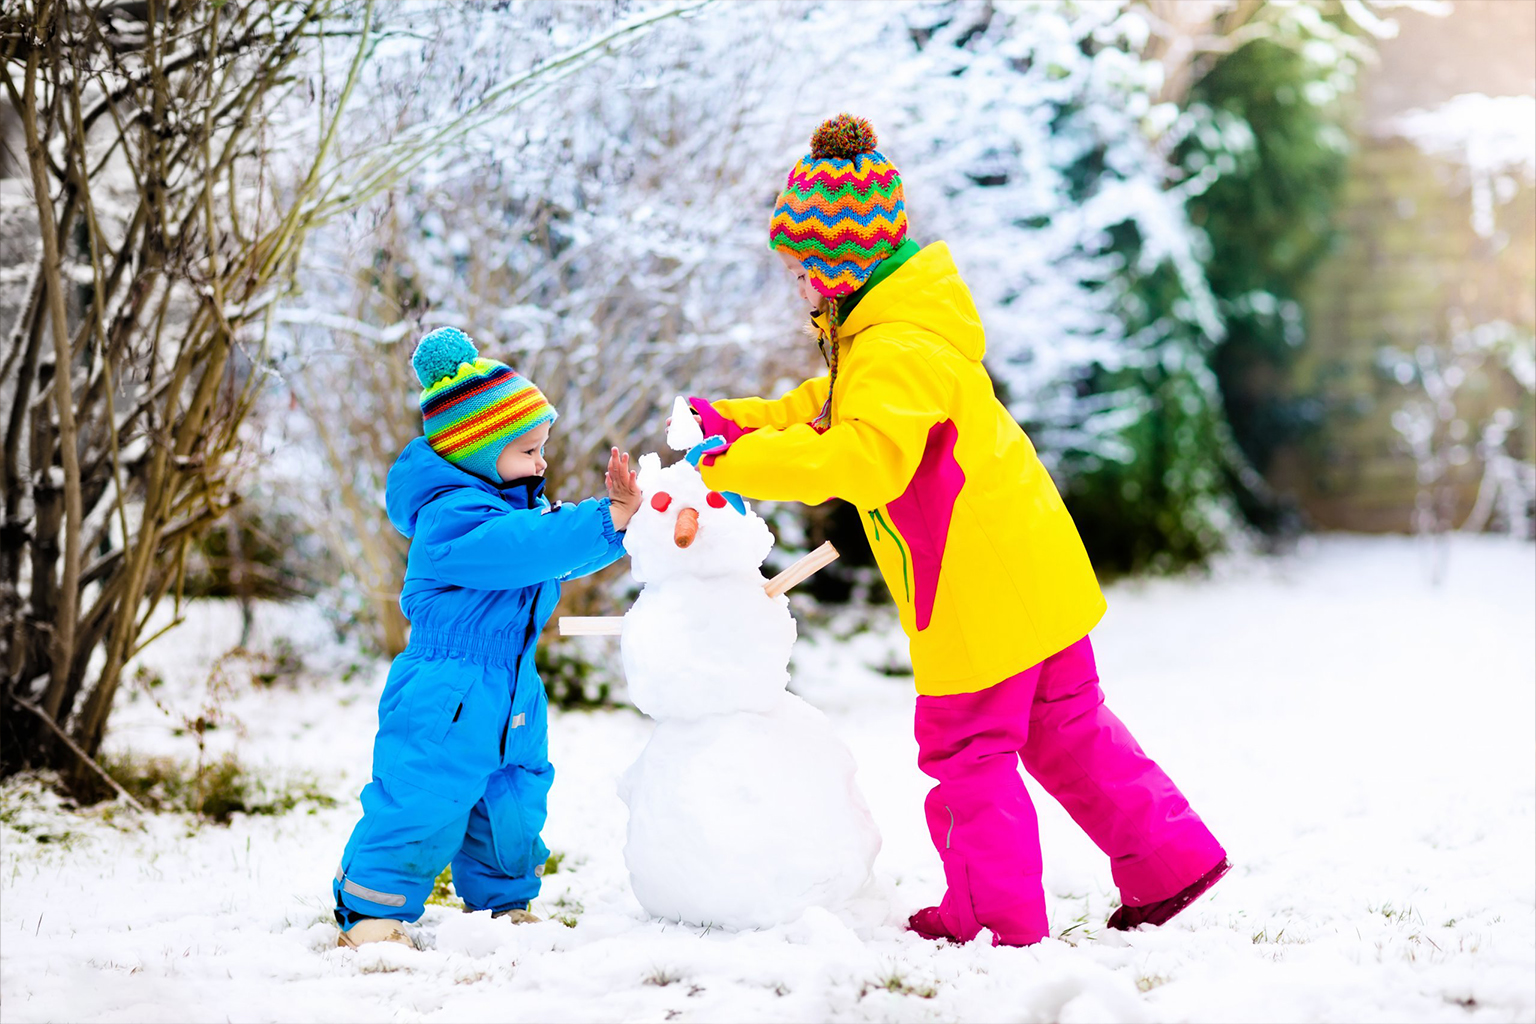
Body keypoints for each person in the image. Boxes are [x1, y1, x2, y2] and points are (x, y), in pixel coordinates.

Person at [686, 115, 1228, 947]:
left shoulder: (893, 347)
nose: (795, 286)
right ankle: (1170, 861)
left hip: (976, 583)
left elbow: (861, 458)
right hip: (1030, 561)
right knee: (1068, 730)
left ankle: (992, 914)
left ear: (842, 262)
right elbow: (821, 411)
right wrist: (730, 425)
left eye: (801, 269)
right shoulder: (896, 330)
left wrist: (726, 468)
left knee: (968, 749)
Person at [332, 326, 641, 948]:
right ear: (477, 450)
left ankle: (503, 903)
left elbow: (547, 550)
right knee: (423, 795)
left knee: (513, 797)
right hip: (447, 685)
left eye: (542, 448)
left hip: (511, 682)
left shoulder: (510, 513)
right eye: (528, 451)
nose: (542, 462)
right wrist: (602, 519)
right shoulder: (451, 519)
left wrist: (620, 526)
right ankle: (372, 912)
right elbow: (524, 550)